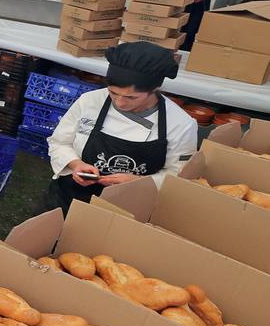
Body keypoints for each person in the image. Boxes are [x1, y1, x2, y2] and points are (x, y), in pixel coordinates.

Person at [45, 41, 197, 212]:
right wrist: (75, 164)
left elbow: (180, 174)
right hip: (70, 198)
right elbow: (59, 142)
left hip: (130, 207)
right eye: (113, 92)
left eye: (132, 97)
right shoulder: (89, 102)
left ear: (155, 88)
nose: (120, 103)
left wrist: (140, 182)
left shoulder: (180, 124)